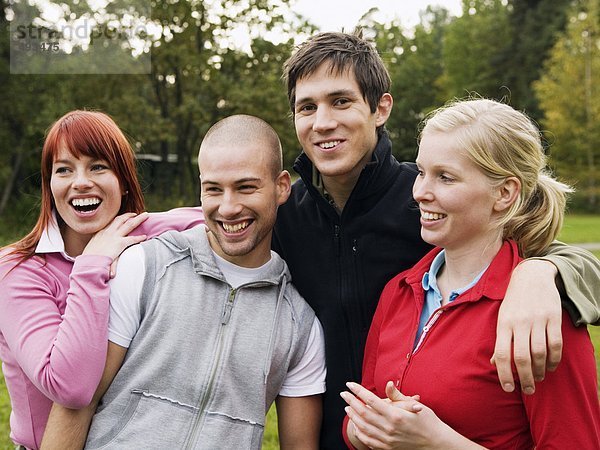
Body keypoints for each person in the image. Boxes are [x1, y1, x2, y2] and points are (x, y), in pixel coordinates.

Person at [272, 31, 600, 448]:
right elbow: (223, 220)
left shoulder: (437, 206)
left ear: (380, 108)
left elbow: (539, 243)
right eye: (307, 107)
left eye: (341, 101)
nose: (323, 122)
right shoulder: (285, 219)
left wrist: (541, 271)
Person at [40, 114, 326, 449]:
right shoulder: (144, 267)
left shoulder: (299, 323)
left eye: (245, 187)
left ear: (281, 187)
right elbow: (76, 406)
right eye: (213, 189)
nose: (228, 207)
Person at [341, 98, 600, 449]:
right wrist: (364, 429)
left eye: (445, 178)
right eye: (421, 172)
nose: (419, 193)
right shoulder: (400, 290)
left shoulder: (540, 314)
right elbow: (362, 413)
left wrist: (436, 442)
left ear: (504, 193)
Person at [0, 110, 204, 450]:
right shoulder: (18, 269)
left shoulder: (137, 237)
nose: (80, 181)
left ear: (123, 181)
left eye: (98, 166)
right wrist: (92, 264)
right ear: (50, 185)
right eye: (64, 169)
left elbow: (220, 218)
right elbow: (70, 387)